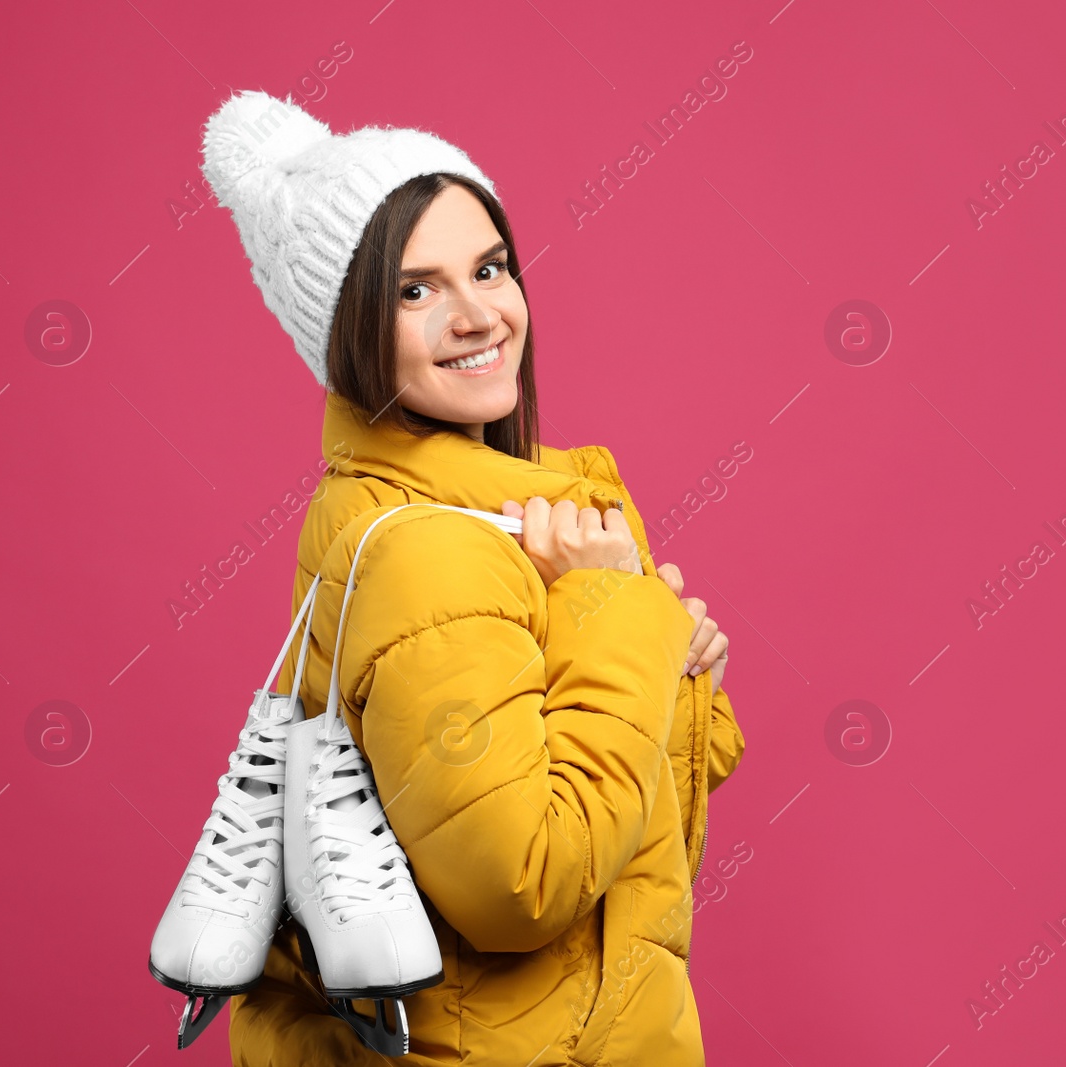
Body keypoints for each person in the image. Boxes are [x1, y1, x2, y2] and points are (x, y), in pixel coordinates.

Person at [199, 90, 746, 1065]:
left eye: (488, 268)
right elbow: (522, 884)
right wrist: (613, 616)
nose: (475, 313)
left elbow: (625, 850)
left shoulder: (491, 512)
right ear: (345, 336)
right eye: (414, 291)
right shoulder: (427, 549)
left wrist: (664, 658)